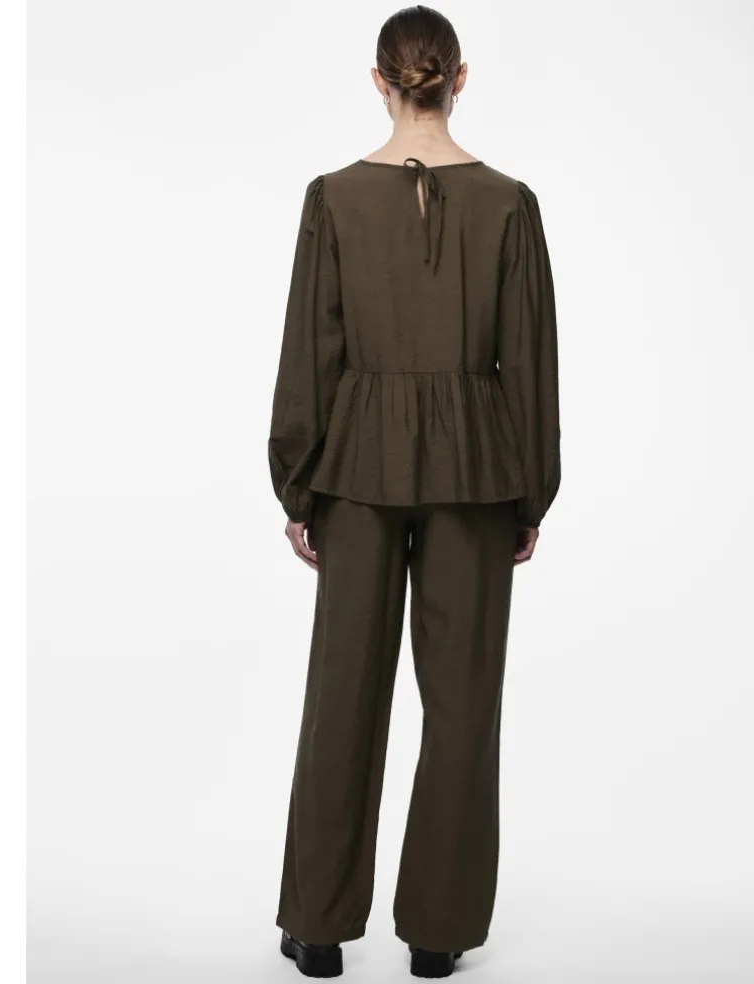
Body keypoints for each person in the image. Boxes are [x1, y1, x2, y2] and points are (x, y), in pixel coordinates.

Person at [267, 5, 561, 978]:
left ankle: (317, 927)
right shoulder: (509, 203)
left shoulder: (333, 198)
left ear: (379, 80)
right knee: (464, 701)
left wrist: (298, 486)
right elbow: (530, 362)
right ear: (459, 79)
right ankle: (438, 933)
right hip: (477, 472)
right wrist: (530, 493)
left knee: (341, 693)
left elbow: (311, 351)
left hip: (354, 467)